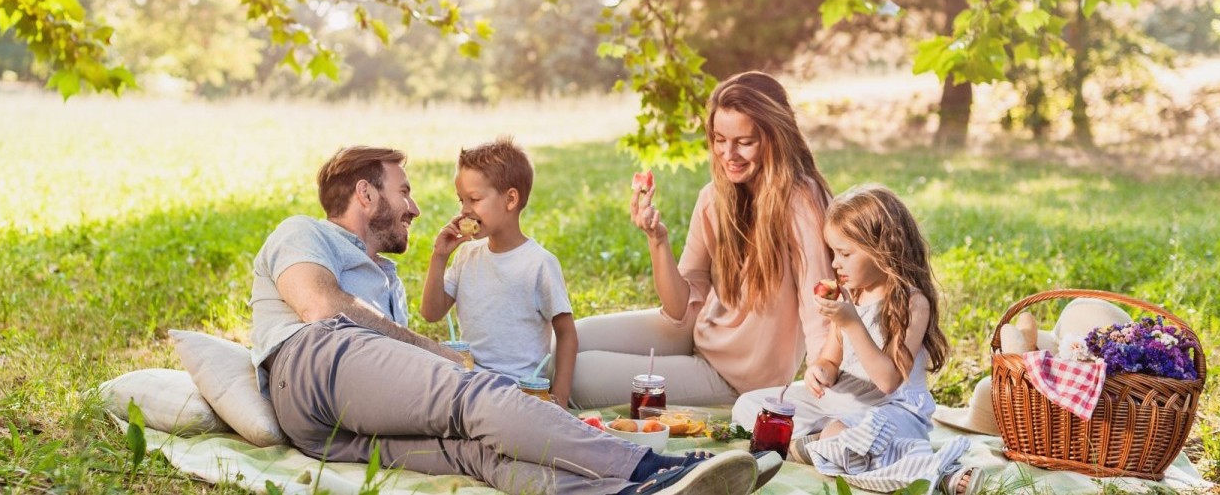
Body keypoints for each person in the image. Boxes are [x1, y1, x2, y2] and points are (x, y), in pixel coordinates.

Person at [250, 145, 768, 495]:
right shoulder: (302, 232)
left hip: (324, 430)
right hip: (313, 363)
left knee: (476, 454)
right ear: (365, 195)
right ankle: (648, 463)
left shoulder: (384, 278)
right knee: (476, 393)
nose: (414, 208)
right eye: (402, 191)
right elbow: (319, 306)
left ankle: (631, 489)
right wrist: (444, 356)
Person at [571, 71, 836, 408]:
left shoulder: (802, 203)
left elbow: (821, 309)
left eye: (744, 141)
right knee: (567, 342)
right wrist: (657, 239)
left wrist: (823, 376)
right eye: (719, 139)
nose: (729, 154)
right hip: (697, 334)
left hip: (736, 378)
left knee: (578, 376)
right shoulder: (714, 197)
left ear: (774, 138)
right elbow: (679, 309)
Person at [732, 185, 980, 494]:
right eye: (833, 252)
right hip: (843, 403)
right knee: (750, 405)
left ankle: (935, 470)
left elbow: (888, 380)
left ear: (883, 250)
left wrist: (852, 324)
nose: (835, 263)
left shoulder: (912, 303)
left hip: (892, 412)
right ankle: (817, 447)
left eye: (845, 253)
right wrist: (819, 371)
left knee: (847, 436)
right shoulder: (853, 295)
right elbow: (831, 360)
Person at [421, 137, 579, 407]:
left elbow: (566, 334)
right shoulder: (467, 256)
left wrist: (560, 397)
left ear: (510, 199)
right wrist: (439, 257)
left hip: (518, 390)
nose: (464, 210)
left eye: (474, 199)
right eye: (461, 200)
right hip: (469, 382)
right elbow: (431, 313)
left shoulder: (539, 263)